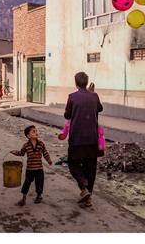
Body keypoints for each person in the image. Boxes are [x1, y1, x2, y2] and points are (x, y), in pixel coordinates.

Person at [61, 72, 103, 207]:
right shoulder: (94, 96)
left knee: (73, 164)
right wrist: (91, 94)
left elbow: (67, 115)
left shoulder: (72, 97)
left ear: (76, 83)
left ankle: (83, 185)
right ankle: (88, 196)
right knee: (90, 168)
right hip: (92, 139)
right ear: (86, 82)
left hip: (76, 139)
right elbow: (100, 108)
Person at [11, 125, 52, 206]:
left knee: (39, 182)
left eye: (36, 131)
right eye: (33, 131)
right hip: (30, 168)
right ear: (28, 136)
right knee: (27, 183)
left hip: (39, 168)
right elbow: (21, 153)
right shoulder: (26, 145)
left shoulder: (41, 144)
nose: (36, 132)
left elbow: (45, 153)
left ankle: (39, 196)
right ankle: (23, 198)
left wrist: (49, 160)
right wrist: (14, 152)